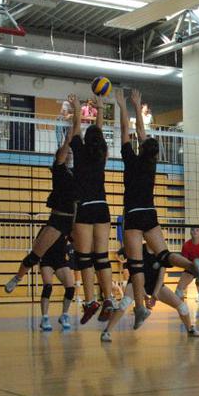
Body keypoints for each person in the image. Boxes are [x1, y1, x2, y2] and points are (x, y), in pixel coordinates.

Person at [112, 87, 199, 329]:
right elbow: (140, 133)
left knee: (135, 265)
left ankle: (140, 308)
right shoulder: (151, 163)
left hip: (133, 214)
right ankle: (192, 265)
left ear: (142, 148)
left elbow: (126, 131)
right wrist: (136, 106)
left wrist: (123, 106)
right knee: (164, 255)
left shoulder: (130, 159)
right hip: (150, 213)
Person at [5, 96, 79, 297]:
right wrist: (69, 136)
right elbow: (65, 148)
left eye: (71, 154)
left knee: (88, 256)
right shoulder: (59, 169)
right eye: (67, 153)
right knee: (35, 255)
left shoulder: (79, 173)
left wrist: (77, 116)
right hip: (58, 219)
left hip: (75, 221)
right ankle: (17, 277)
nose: (69, 155)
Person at [69, 93, 115, 324]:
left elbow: (76, 129)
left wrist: (78, 110)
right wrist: (100, 110)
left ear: (86, 140)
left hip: (85, 208)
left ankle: (90, 301)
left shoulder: (79, 150)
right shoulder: (101, 153)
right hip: (103, 207)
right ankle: (109, 299)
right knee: (102, 257)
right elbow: (98, 134)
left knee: (84, 258)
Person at [100, 245, 199, 342]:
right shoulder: (138, 250)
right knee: (124, 303)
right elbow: (135, 275)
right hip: (136, 282)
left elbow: (160, 278)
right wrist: (144, 296)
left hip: (154, 285)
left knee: (182, 307)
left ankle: (190, 329)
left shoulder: (162, 253)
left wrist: (154, 295)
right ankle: (106, 332)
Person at [36, 234, 76, 331]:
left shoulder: (67, 230)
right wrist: (36, 257)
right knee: (48, 287)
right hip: (46, 259)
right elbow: (36, 242)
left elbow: (75, 241)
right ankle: (44, 318)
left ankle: (64, 315)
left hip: (60, 260)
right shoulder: (47, 228)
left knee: (70, 288)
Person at [176, 227, 199, 325]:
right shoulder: (186, 245)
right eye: (192, 230)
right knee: (179, 290)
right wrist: (193, 267)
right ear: (190, 232)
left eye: (197, 230)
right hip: (190, 268)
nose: (194, 232)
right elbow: (184, 261)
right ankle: (184, 311)